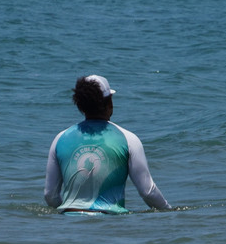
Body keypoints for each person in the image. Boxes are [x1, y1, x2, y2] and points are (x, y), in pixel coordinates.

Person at [44, 74, 171, 213]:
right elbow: (148, 192)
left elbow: (50, 196)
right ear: (109, 103)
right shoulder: (128, 139)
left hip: (69, 226)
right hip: (110, 226)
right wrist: (170, 212)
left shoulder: (60, 139)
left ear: (80, 105)